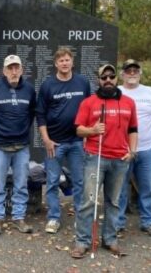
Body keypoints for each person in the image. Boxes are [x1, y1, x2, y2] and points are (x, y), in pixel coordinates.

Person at [72, 63, 138, 258]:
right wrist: (92, 130)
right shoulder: (89, 102)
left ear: (116, 78)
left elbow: (133, 130)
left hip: (120, 159)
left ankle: (110, 239)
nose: (108, 80)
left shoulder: (128, 102)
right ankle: (82, 241)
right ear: (98, 80)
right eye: (104, 77)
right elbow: (78, 129)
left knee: (114, 201)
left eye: (111, 76)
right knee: (88, 201)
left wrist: (132, 151)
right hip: (95, 156)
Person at [35, 47, 91, 234]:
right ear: (56, 63)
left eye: (67, 60)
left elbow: (89, 110)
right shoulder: (48, 85)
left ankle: (80, 219)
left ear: (72, 62)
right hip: (55, 143)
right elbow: (40, 115)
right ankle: (53, 218)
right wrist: (46, 139)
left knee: (79, 181)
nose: (64, 63)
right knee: (51, 181)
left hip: (77, 142)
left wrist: (86, 136)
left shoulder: (82, 82)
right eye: (61, 60)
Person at [0, 55, 37, 235]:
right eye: (10, 68)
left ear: (22, 70)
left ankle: (18, 217)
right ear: (4, 71)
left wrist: (21, 130)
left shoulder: (29, 90)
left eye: (17, 68)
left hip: (21, 147)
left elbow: (31, 115)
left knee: (21, 184)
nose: (14, 72)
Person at [116, 59, 151, 238]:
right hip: (122, 149)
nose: (132, 74)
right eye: (128, 71)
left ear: (140, 73)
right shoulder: (117, 93)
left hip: (147, 148)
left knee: (148, 187)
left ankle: (148, 221)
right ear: (122, 74)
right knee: (120, 188)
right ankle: (118, 223)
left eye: (135, 70)